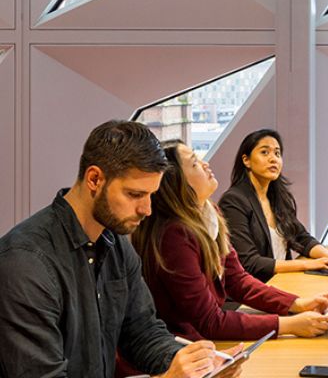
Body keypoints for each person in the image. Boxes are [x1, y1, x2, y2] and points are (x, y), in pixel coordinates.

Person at [0, 120, 244, 378]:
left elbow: (143, 333)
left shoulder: (115, 244)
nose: (147, 210)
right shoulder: (25, 263)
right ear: (95, 179)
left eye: (151, 195)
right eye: (135, 195)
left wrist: (196, 366)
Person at [132, 140, 328, 341]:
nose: (205, 164)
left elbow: (237, 279)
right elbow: (209, 322)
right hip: (185, 346)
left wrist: (298, 304)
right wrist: (288, 325)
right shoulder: (174, 236)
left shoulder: (210, 213)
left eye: (277, 152)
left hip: (207, 338)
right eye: (195, 163)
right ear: (176, 182)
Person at [219, 129, 328, 281]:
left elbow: (301, 237)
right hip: (255, 291)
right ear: (246, 160)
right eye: (264, 152)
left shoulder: (278, 198)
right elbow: (249, 263)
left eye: (277, 153)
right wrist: (308, 265)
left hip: (281, 282)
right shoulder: (233, 201)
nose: (273, 159)